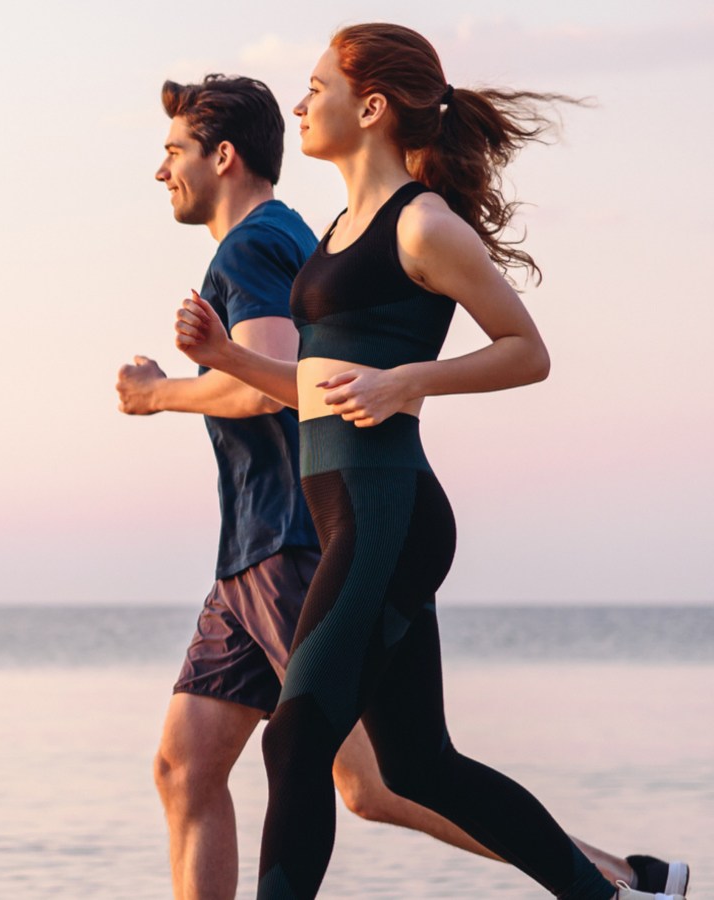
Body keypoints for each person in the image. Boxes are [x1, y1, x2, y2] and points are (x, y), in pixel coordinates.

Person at [124, 71, 688, 900]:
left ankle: (614, 880)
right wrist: (227, 358)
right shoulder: (326, 234)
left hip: (353, 524)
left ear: (373, 107)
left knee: (318, 758)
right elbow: (311, 386)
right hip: (313, 524)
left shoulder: (408, 223)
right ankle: (619, 889)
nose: (302, 103)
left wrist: (404, 381)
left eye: (317, 86)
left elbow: (525, 350)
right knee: (412, 766)